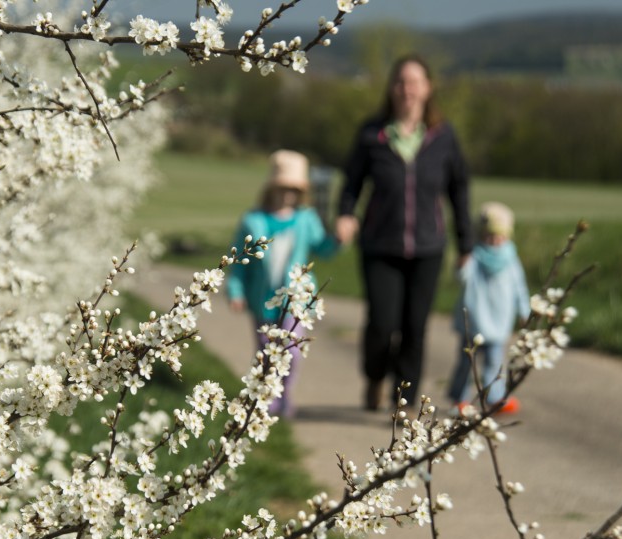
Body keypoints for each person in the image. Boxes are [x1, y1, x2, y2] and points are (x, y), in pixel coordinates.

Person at [335, 54, 473, 411]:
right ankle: (374, 376)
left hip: (428, 248)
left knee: (415, 328)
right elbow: (351, 183)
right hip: (380, 245)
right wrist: (346, 215)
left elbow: (459, 190)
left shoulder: (443, 136)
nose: (406, 89)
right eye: (400, 82)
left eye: (414, 82)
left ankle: (404, 404)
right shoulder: (372, 134)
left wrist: (466, 244)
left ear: (427, 89)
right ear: (391, 88)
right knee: (382, 326)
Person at [227, 149, 344, 418]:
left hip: (295, 301)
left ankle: (283, 395)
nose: (287, 195)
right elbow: (238, 260)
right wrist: (235, 291)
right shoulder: (253, 220)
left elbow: (322, 249)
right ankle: (265, 397)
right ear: (272, 188)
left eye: (293, 189)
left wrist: (337, 239)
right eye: (283, 188)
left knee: (291, 351)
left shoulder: (306, 219)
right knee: (266, 352)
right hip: (263, 301)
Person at [447, 202, 530, 414]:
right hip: (474, 321)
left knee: (495, 363)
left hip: (499, 322)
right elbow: (462, 276)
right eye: (489, 236)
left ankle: (494, 397)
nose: (494, 241)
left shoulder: (511, 259)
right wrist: (461, 262)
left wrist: (525, 311)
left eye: (500, 237)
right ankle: (460, 399)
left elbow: (519, 286)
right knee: (467, 365)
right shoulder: (474, 255)